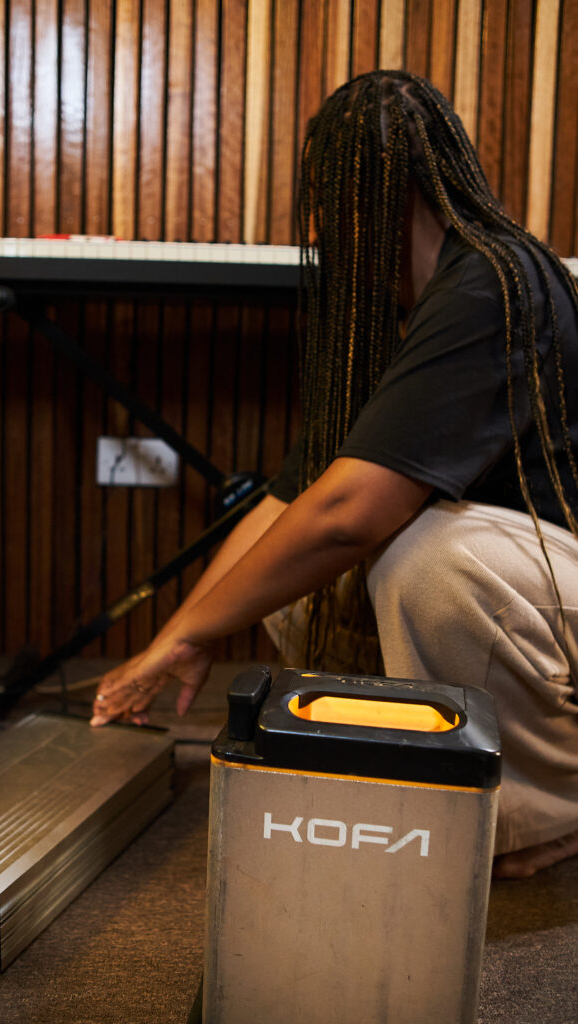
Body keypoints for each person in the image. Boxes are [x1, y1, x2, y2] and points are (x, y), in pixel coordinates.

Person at [91, 71, 578, 878]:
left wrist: (181, 635)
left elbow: (349, 515)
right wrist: (187, 632)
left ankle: (541, 810)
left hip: (559, 591)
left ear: (381, 196)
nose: (321, 225)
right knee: (301, 571)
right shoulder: (391, 320)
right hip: (529, 593)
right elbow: (291, 502)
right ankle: (411, 771)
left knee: (422, 558)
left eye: (329, 200)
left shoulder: (494, 280)